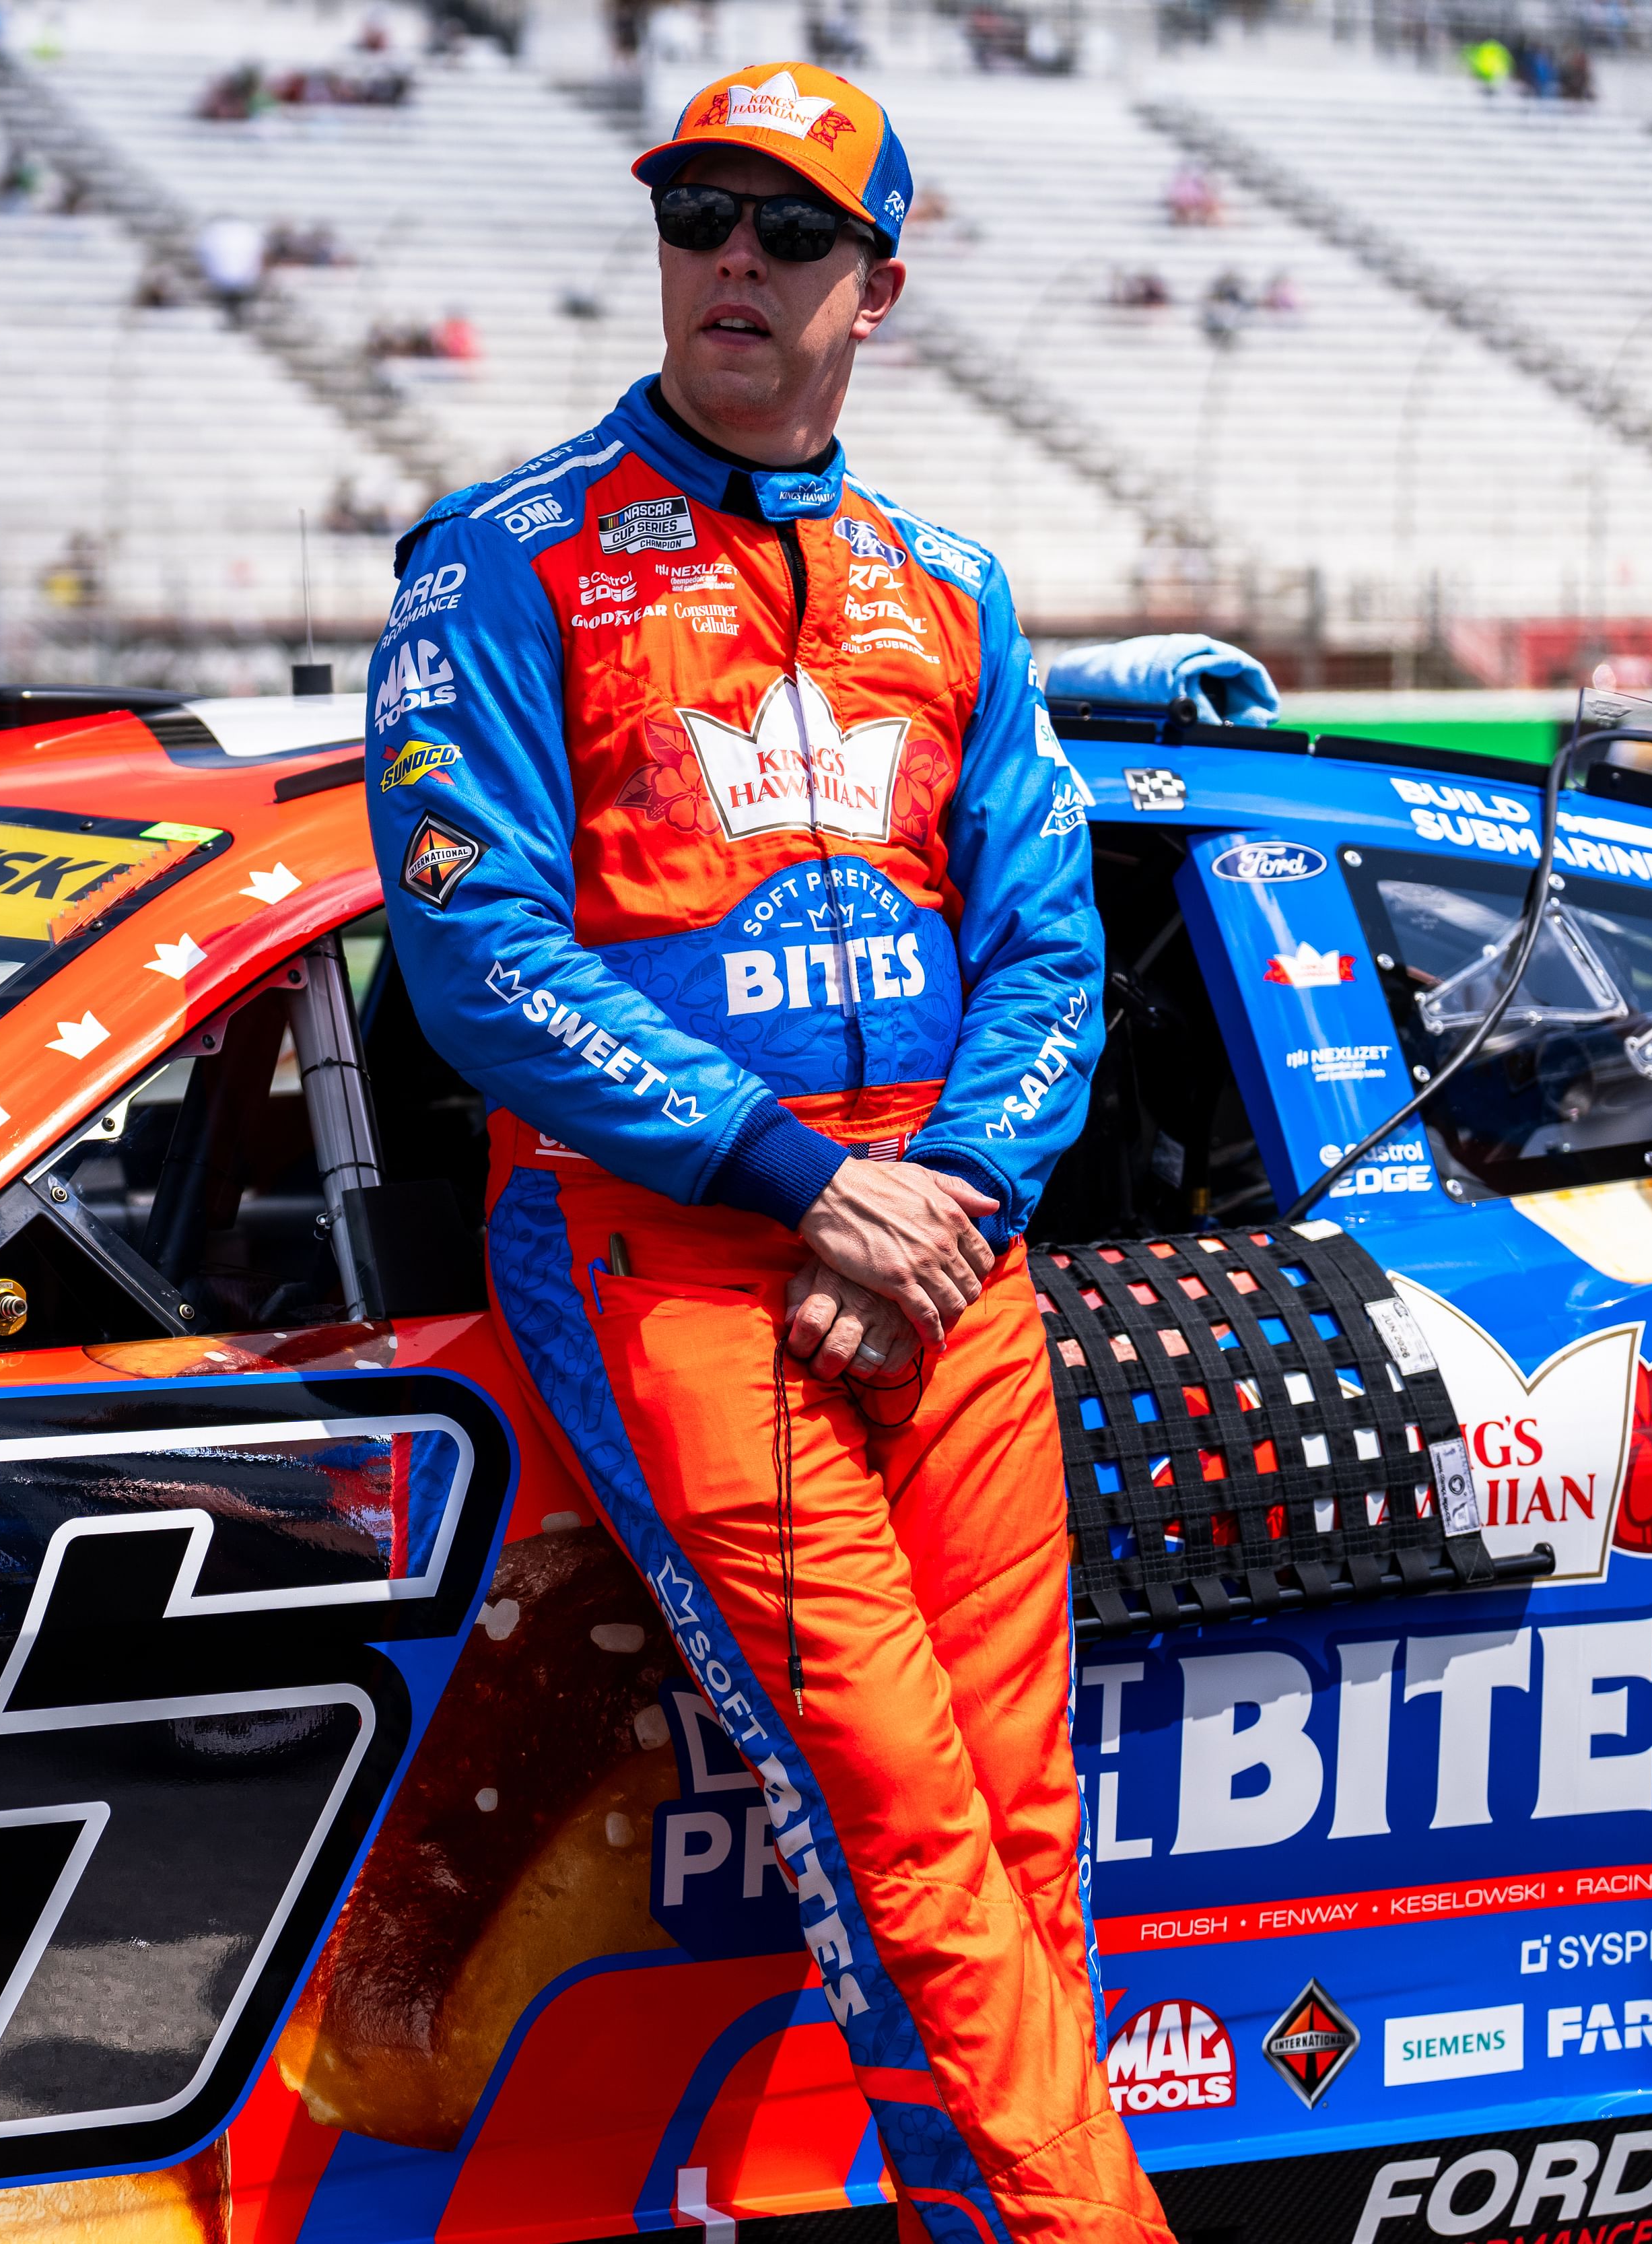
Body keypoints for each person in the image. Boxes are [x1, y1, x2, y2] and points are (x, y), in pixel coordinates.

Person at [361, 61, 1167, 2244]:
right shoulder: (505, 561)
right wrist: (798, 1183)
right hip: (663, 1247)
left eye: (789, 230)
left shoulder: (956, 589)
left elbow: (1049, 949)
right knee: (898, 1815)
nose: (735, 256)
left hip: (945, 1242)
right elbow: (473, 950)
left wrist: (944, 1200)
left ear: (874, 288)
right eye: (702, 211)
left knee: (1015, 1828)